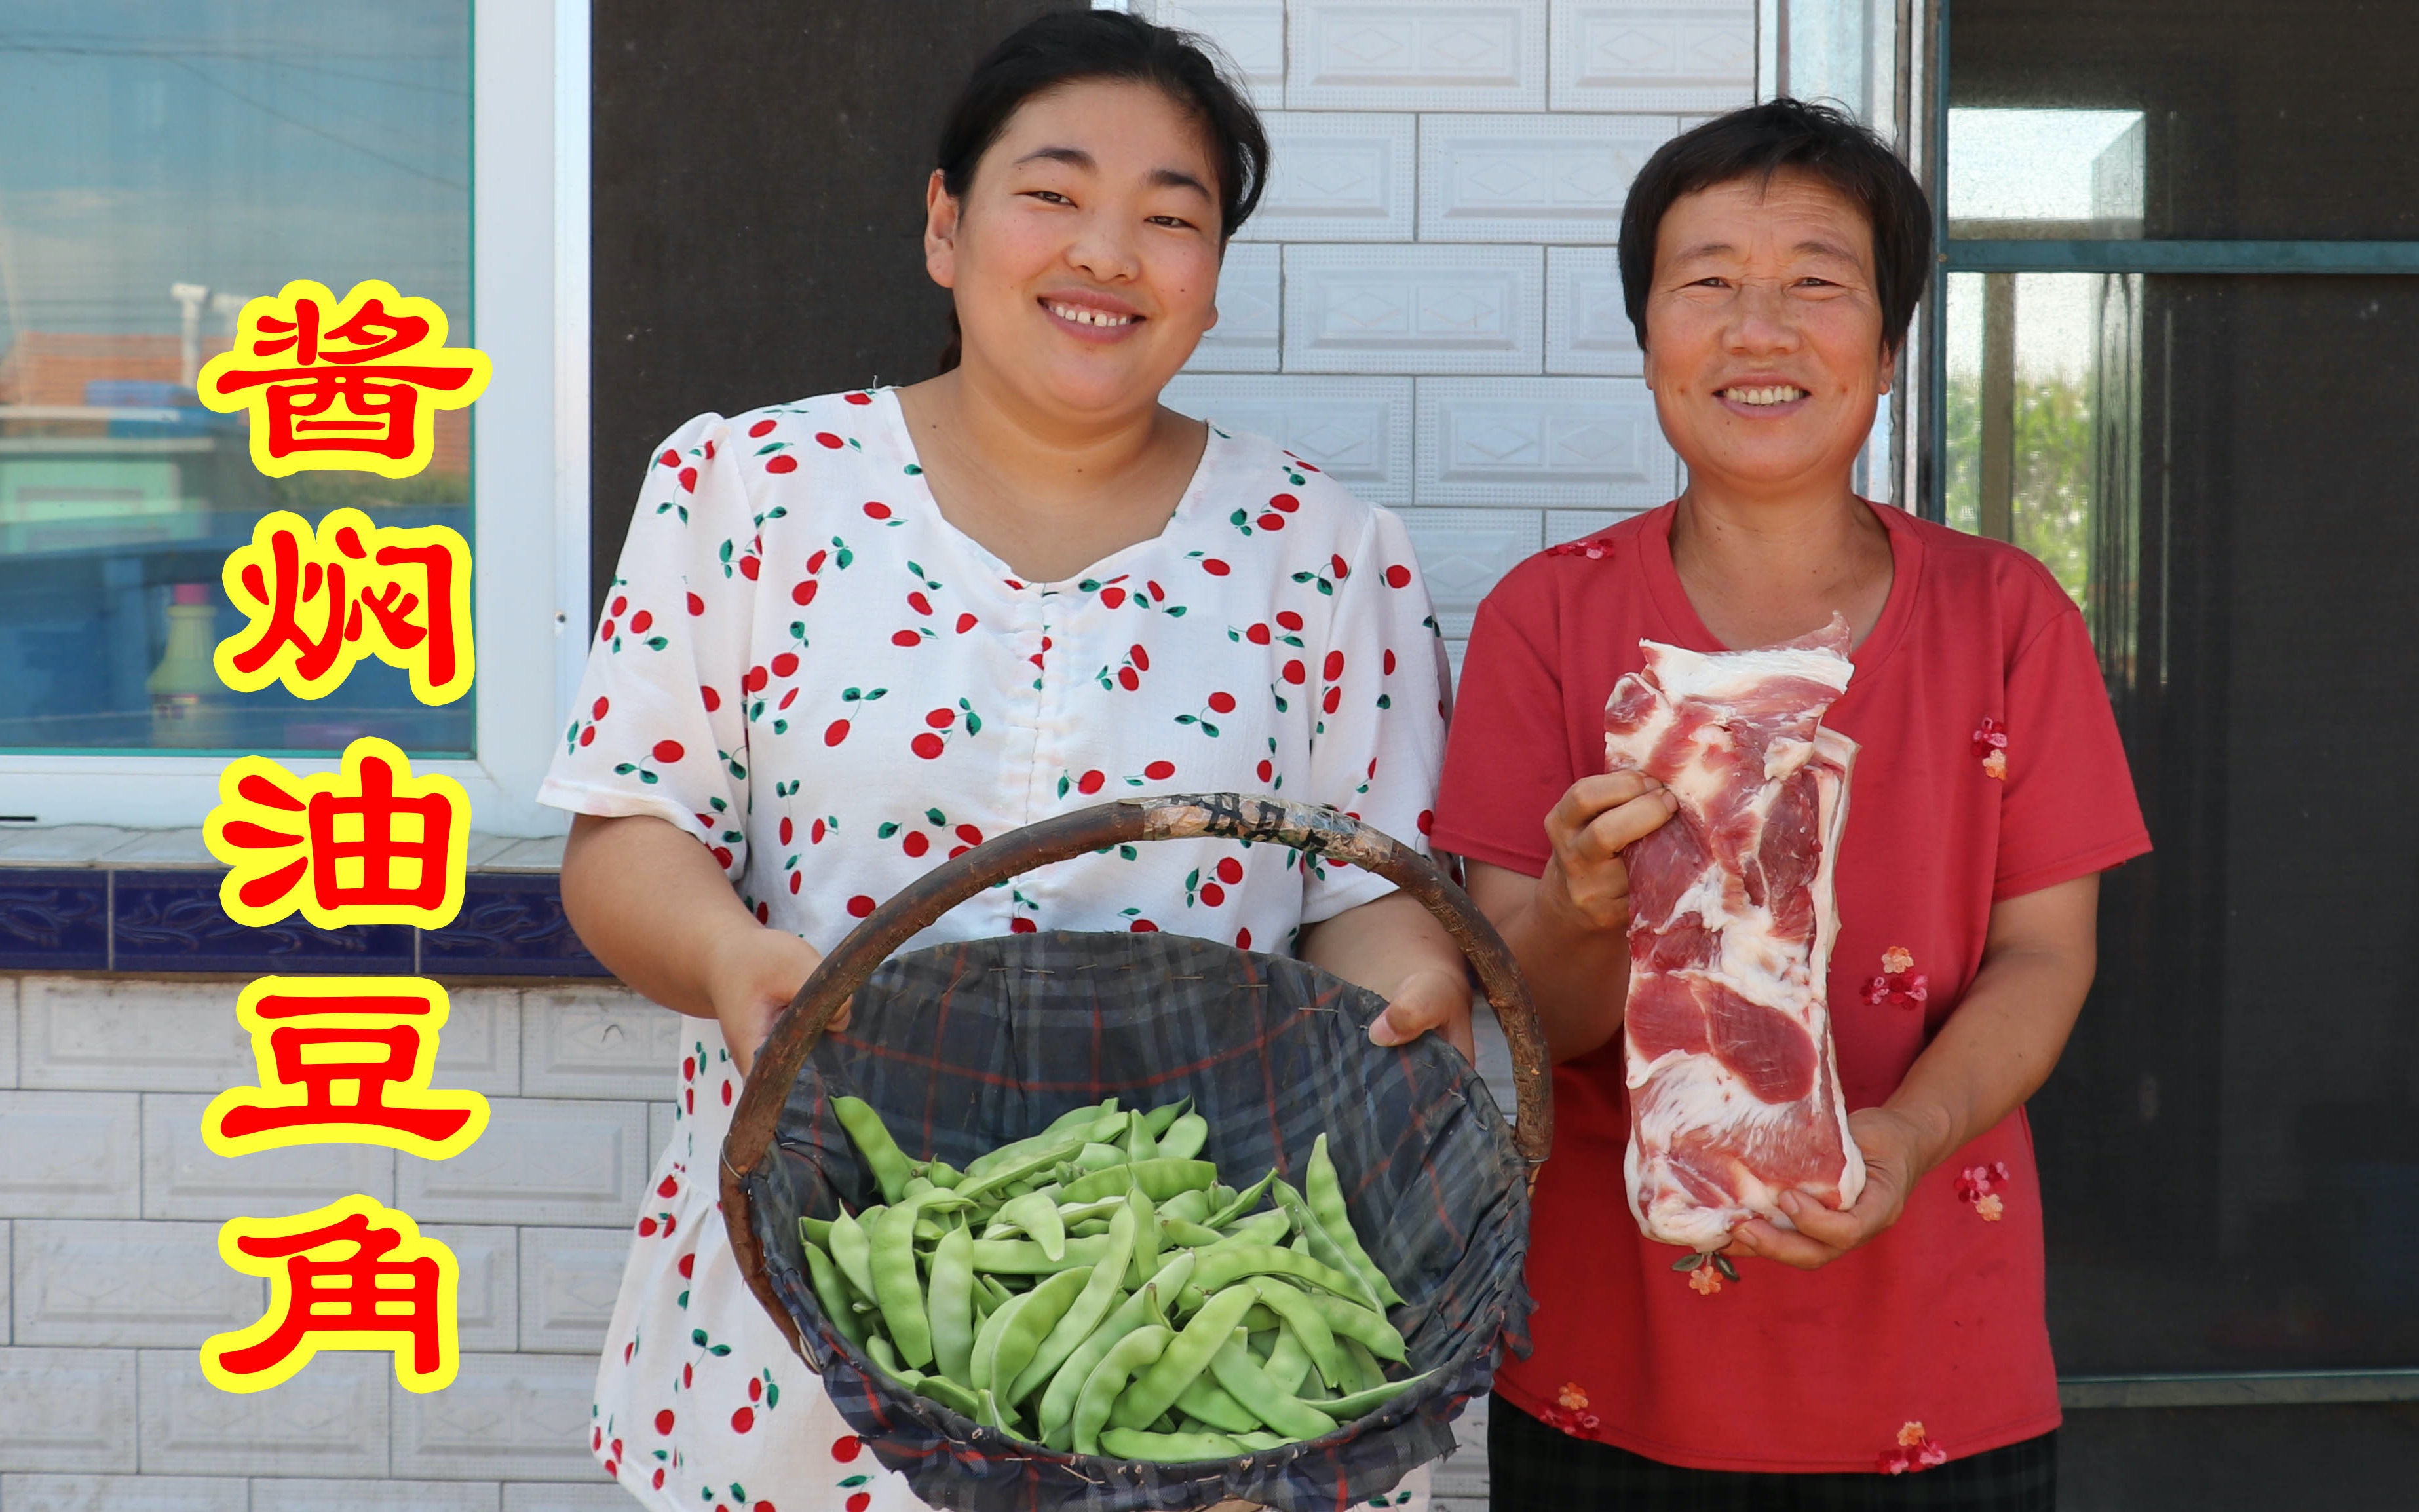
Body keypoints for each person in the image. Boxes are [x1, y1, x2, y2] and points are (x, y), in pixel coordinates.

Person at [545, 13, 1470, 1511]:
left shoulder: (1324, 552)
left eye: (1170, 218)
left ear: (1211, 280)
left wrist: (1406, 990)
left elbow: (1363, 891)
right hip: (808, 1293)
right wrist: (733, 959)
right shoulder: (749, 490)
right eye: (1052, 191)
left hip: (1201, 1293)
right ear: (943, 224)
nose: (1107, 249)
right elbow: (629, 835)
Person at [1432, 100, 2151, 1508]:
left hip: (1934, 1358)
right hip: (1610, 1360)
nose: (1758, 327)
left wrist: (1905, 1133)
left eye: (1817, 283)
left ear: (1886, 353)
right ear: (1647, 338)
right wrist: (1583, 912)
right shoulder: (1549, 617)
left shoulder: (2006, 614)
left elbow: (2044, 954)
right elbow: (1528, 1014)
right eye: (1706, 282)